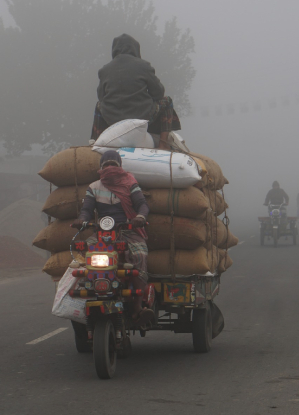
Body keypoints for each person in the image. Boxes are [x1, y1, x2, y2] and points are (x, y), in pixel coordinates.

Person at [72, 150, 154, 327]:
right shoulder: (94, 187)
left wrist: (140, 217)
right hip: (102, 233)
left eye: (113, 165)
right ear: (101, 168)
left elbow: (142, 205)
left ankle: (138, 306)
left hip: (128, 231)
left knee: (140, 255)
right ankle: (89, 289)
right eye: (106, 165)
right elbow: (87, 209)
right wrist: (83, 220)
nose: (110, 168)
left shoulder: (130, 183)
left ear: (120, 167)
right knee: (84, 254)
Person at [91, 33, 181, 150]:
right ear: (135, 49)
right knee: (167, 101)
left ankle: (96, 144)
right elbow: (159, 93)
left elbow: (101, 98)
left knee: (99, 106)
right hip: (142, 116)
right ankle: (163, 145)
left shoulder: (104, 70)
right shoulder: (144, 66)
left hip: (112, 119)